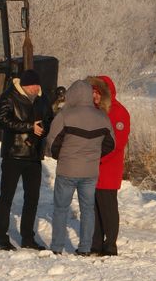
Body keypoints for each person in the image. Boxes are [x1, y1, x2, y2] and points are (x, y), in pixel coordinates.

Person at [47, 79, 115, 255]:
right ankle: (85, 248)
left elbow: (52, 142)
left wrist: (60, 156)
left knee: (61, 209)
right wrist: (94, 155)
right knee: (87, 210)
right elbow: (111, 143)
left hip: (67, 169)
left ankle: (57, 247)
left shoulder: (65, 115)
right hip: (90, 171)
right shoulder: (102, 117)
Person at [0, 69, 53, 251]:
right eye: (33, 85)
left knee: (32, 198)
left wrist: (41, 132)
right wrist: (29, 127)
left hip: (34, 155)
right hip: (14, 154)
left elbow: (49, 119)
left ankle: (28, 237)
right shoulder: (9, 96)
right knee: (7, 197)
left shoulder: (43, 98)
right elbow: (2, 121)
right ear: (25, 85)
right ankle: (2, 239)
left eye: (38, 85)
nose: (36, 89)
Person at [88, 75, 131, 256]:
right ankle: (96, 244)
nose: (94, 96)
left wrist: (97, 158)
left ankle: (110, 245)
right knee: (95, 209)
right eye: (93, 92)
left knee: (108, 209)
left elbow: (118, 143)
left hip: (107, 169)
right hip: (93, 168)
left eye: (97, 92)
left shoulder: (118, 112)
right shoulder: (94, 111)